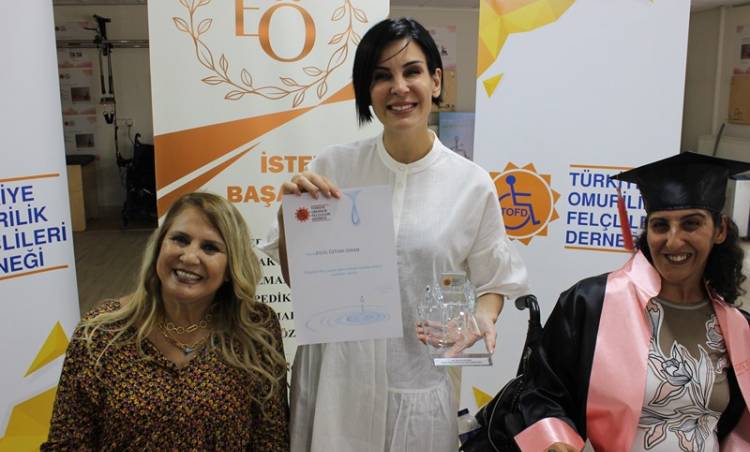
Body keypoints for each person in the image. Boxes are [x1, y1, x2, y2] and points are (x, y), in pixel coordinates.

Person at [260, 17, 528, 452]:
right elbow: (302, 284)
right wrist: (291, 217)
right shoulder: (333, 168)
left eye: (412, 71)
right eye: (382, 76)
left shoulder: (471, 184)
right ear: (368, 91)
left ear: (435, 81)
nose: (399, 87)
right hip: (335, 383)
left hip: (417, 385)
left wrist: (483, 316)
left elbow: (494, 281)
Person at [514, 152, 750, 451]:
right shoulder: (591, 304)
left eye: (691, 224)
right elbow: (540, 392)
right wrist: (555, 442)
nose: (673, 240)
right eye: (660, 225)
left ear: (720, 230)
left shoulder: (738, 328)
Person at [42, 192, 289, 450]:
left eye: (210, 247)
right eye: (180, 239)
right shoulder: (101, 332)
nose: (189, 257)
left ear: (230, 268)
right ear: (159, 246)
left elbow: (271, 441)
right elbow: (66, 444)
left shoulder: (255, 329)